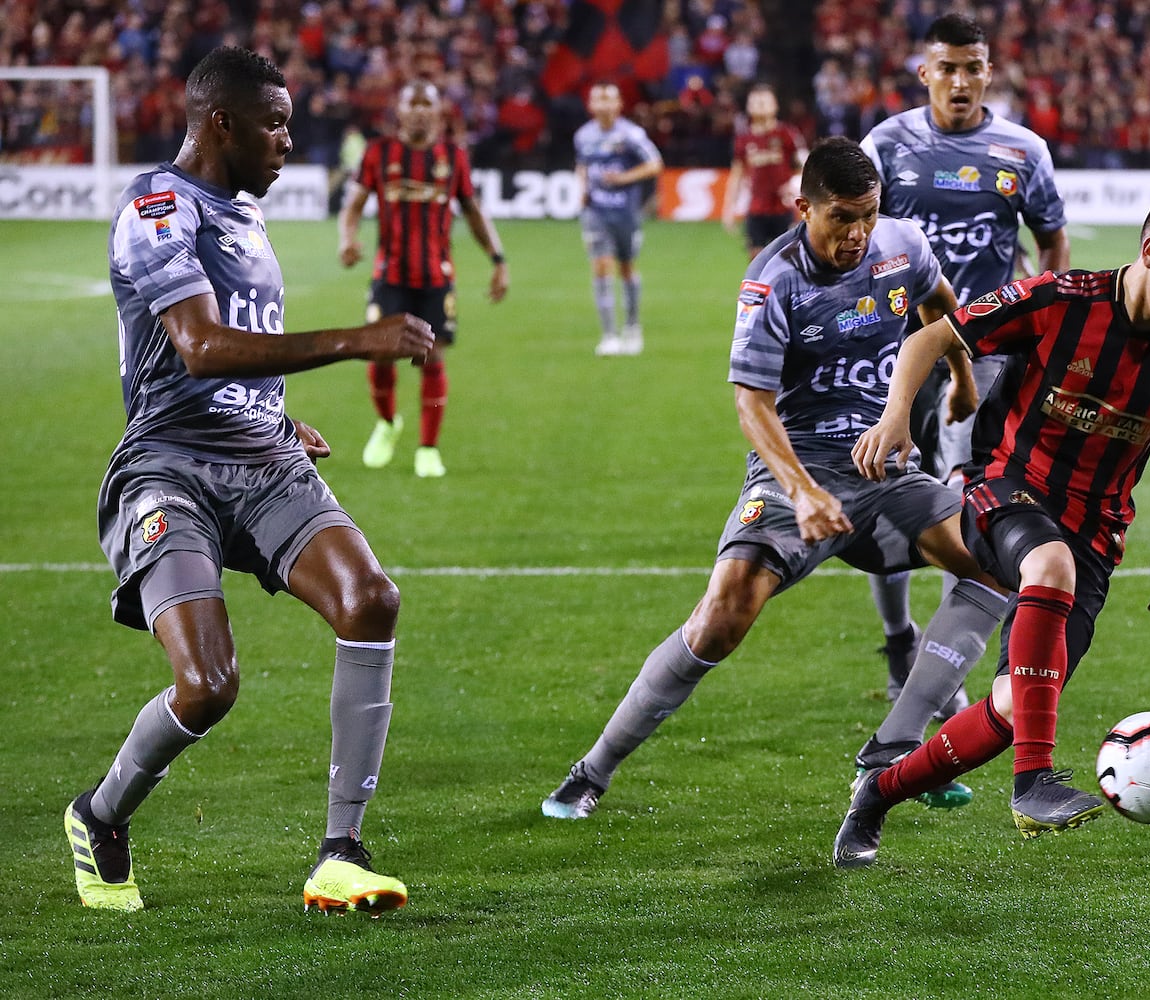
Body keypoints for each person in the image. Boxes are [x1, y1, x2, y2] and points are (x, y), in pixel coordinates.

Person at [62, 46, 435, 913]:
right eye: (274, 125)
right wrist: (356, 338)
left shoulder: (243, 214)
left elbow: (239, 353)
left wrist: (271, 413)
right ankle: (100, 814)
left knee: (371, 598)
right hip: (170, 468)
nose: (287, 143)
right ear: (219, 123)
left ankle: (340, 851)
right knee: (208, 685)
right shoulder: (158, 208)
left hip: (262, 456)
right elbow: (197, 347)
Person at [541, 137, 1009, 821]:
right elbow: (751, 403)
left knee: (992, 563)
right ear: (804, 208)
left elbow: (943, 306)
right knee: (724, 614)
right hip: (798, 466)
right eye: (841, 218)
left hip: (884, 467)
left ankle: (900, 750)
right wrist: (801, 490)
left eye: (868, 216)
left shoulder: (902, 243)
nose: (857, 234)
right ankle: (592, 771)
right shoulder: (774, 278)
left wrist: (961, 382)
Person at [833, 180, 1150, 866]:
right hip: (1005, 490)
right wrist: (896, 414)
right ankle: (1035, 782)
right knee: (1045, 567)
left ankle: (878, 793)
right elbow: (931, 338)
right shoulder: (1060, 299)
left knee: (1007, 706)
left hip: (1096, 535)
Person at [859, 13, 1070, 717]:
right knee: (885, 491)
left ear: (988, 72)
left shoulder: (1023, 151)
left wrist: (1049, 328)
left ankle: (939, 670)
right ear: (925, 72)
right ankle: (898, 636)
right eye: (945, 67)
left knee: (970, 508)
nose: (959, 80)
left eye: (971, 67)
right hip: (900, 358)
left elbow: (1051, 243)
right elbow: (857, 243)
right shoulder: (885, 147)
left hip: (997, 362)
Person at [338, 80, 509, 479]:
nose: (417, 110)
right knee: (379, 352)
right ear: (399, 109)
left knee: (431, 357)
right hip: (390, 273)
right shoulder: (378, 153)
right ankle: (387, 422)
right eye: (410, 103)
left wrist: (498, 259)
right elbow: (353, 206)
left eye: (425, 104)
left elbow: (473, 211)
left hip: (436, 276)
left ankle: (428, 449)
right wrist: (348, 239)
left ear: (438, 111)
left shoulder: (453, 156)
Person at [574, 82, 664, 356]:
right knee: (601, 266)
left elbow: (654, 164)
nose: (602, 104)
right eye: (597, 98)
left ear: (618, 104)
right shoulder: (584, 135)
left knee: (626, 267)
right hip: (596, 212)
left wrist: (624, 178)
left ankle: (633, 328)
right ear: (590, 105)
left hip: (626, 212)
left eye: (608, 98)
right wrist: (582, 190)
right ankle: (609, 334)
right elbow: (582, 164)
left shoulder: (631, 134)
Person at [721, 83, 808, 260]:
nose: (760, 106)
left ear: (774, 105)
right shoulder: (744, 138)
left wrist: (793, 186)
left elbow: (805, 166)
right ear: (749, 107)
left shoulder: (786, 133)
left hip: (783, 208)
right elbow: (737, 173)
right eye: (755, 102)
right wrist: (728, 208)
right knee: (756, 259)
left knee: (786, 259)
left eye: (764, 102)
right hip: (756, 209)